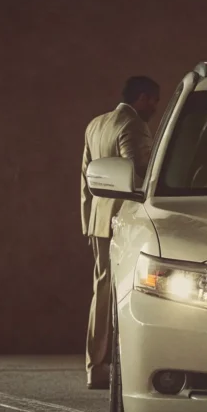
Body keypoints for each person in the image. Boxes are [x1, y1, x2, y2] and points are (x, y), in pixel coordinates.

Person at [80, 76, 160, 389]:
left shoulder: (95, 125)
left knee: (102, 291)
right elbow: (140, 173)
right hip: (125, 220)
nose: (154, 107)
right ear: (142, 97)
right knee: (133, 291)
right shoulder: (134, 125)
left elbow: (85, 178)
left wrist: (87, 222)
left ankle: (95, 365)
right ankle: (128, 366)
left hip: (99, 220)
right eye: (153, 100)